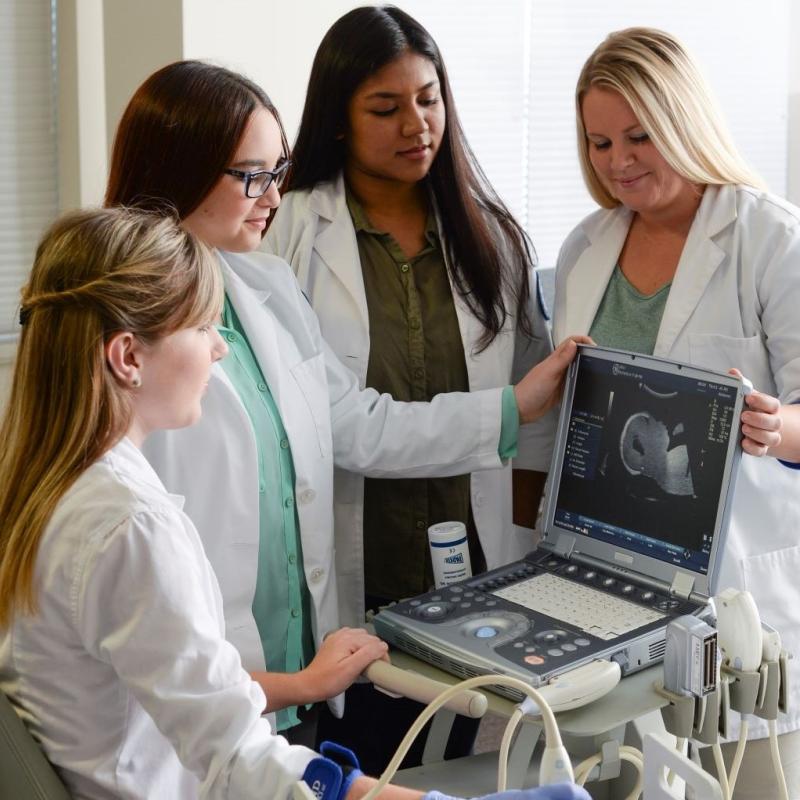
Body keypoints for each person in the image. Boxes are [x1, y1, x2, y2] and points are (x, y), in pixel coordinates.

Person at [0, 207, 590, 800]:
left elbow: (184, 685)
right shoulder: (133, 526)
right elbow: (240, 762)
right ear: (128, 357)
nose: (220, 350)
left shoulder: (50, 488)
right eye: (203, 328)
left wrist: (303, 684)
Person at [104, 60, 584, 746]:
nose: (275, 195)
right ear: (177, 170)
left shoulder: (264, 288)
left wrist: (512, 409)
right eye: (252, 177)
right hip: (193, 690)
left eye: (277, 171)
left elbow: (353, 424)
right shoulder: (118, 328)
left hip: (297, 674)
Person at [263, 5, 555, 770]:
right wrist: (504, 413)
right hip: (361, 571)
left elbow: (539, 416)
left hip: (478, 576)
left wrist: (533, 556)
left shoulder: (491, 236)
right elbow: (339, 426)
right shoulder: (291, 233)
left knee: (464, 766)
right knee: (362, 764)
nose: (416, 124)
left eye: (428, 99)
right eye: (385, 108)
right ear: (338, 119)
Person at [553, 26, 800, 799]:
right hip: (612, 578)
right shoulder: (585, 248)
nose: (618, 161)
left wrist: (776, 427)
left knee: (747, 781)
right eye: (598, 142)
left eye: (639, 137)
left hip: (736, 587)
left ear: (683, 120)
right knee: (619, 778)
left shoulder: (770, 238)